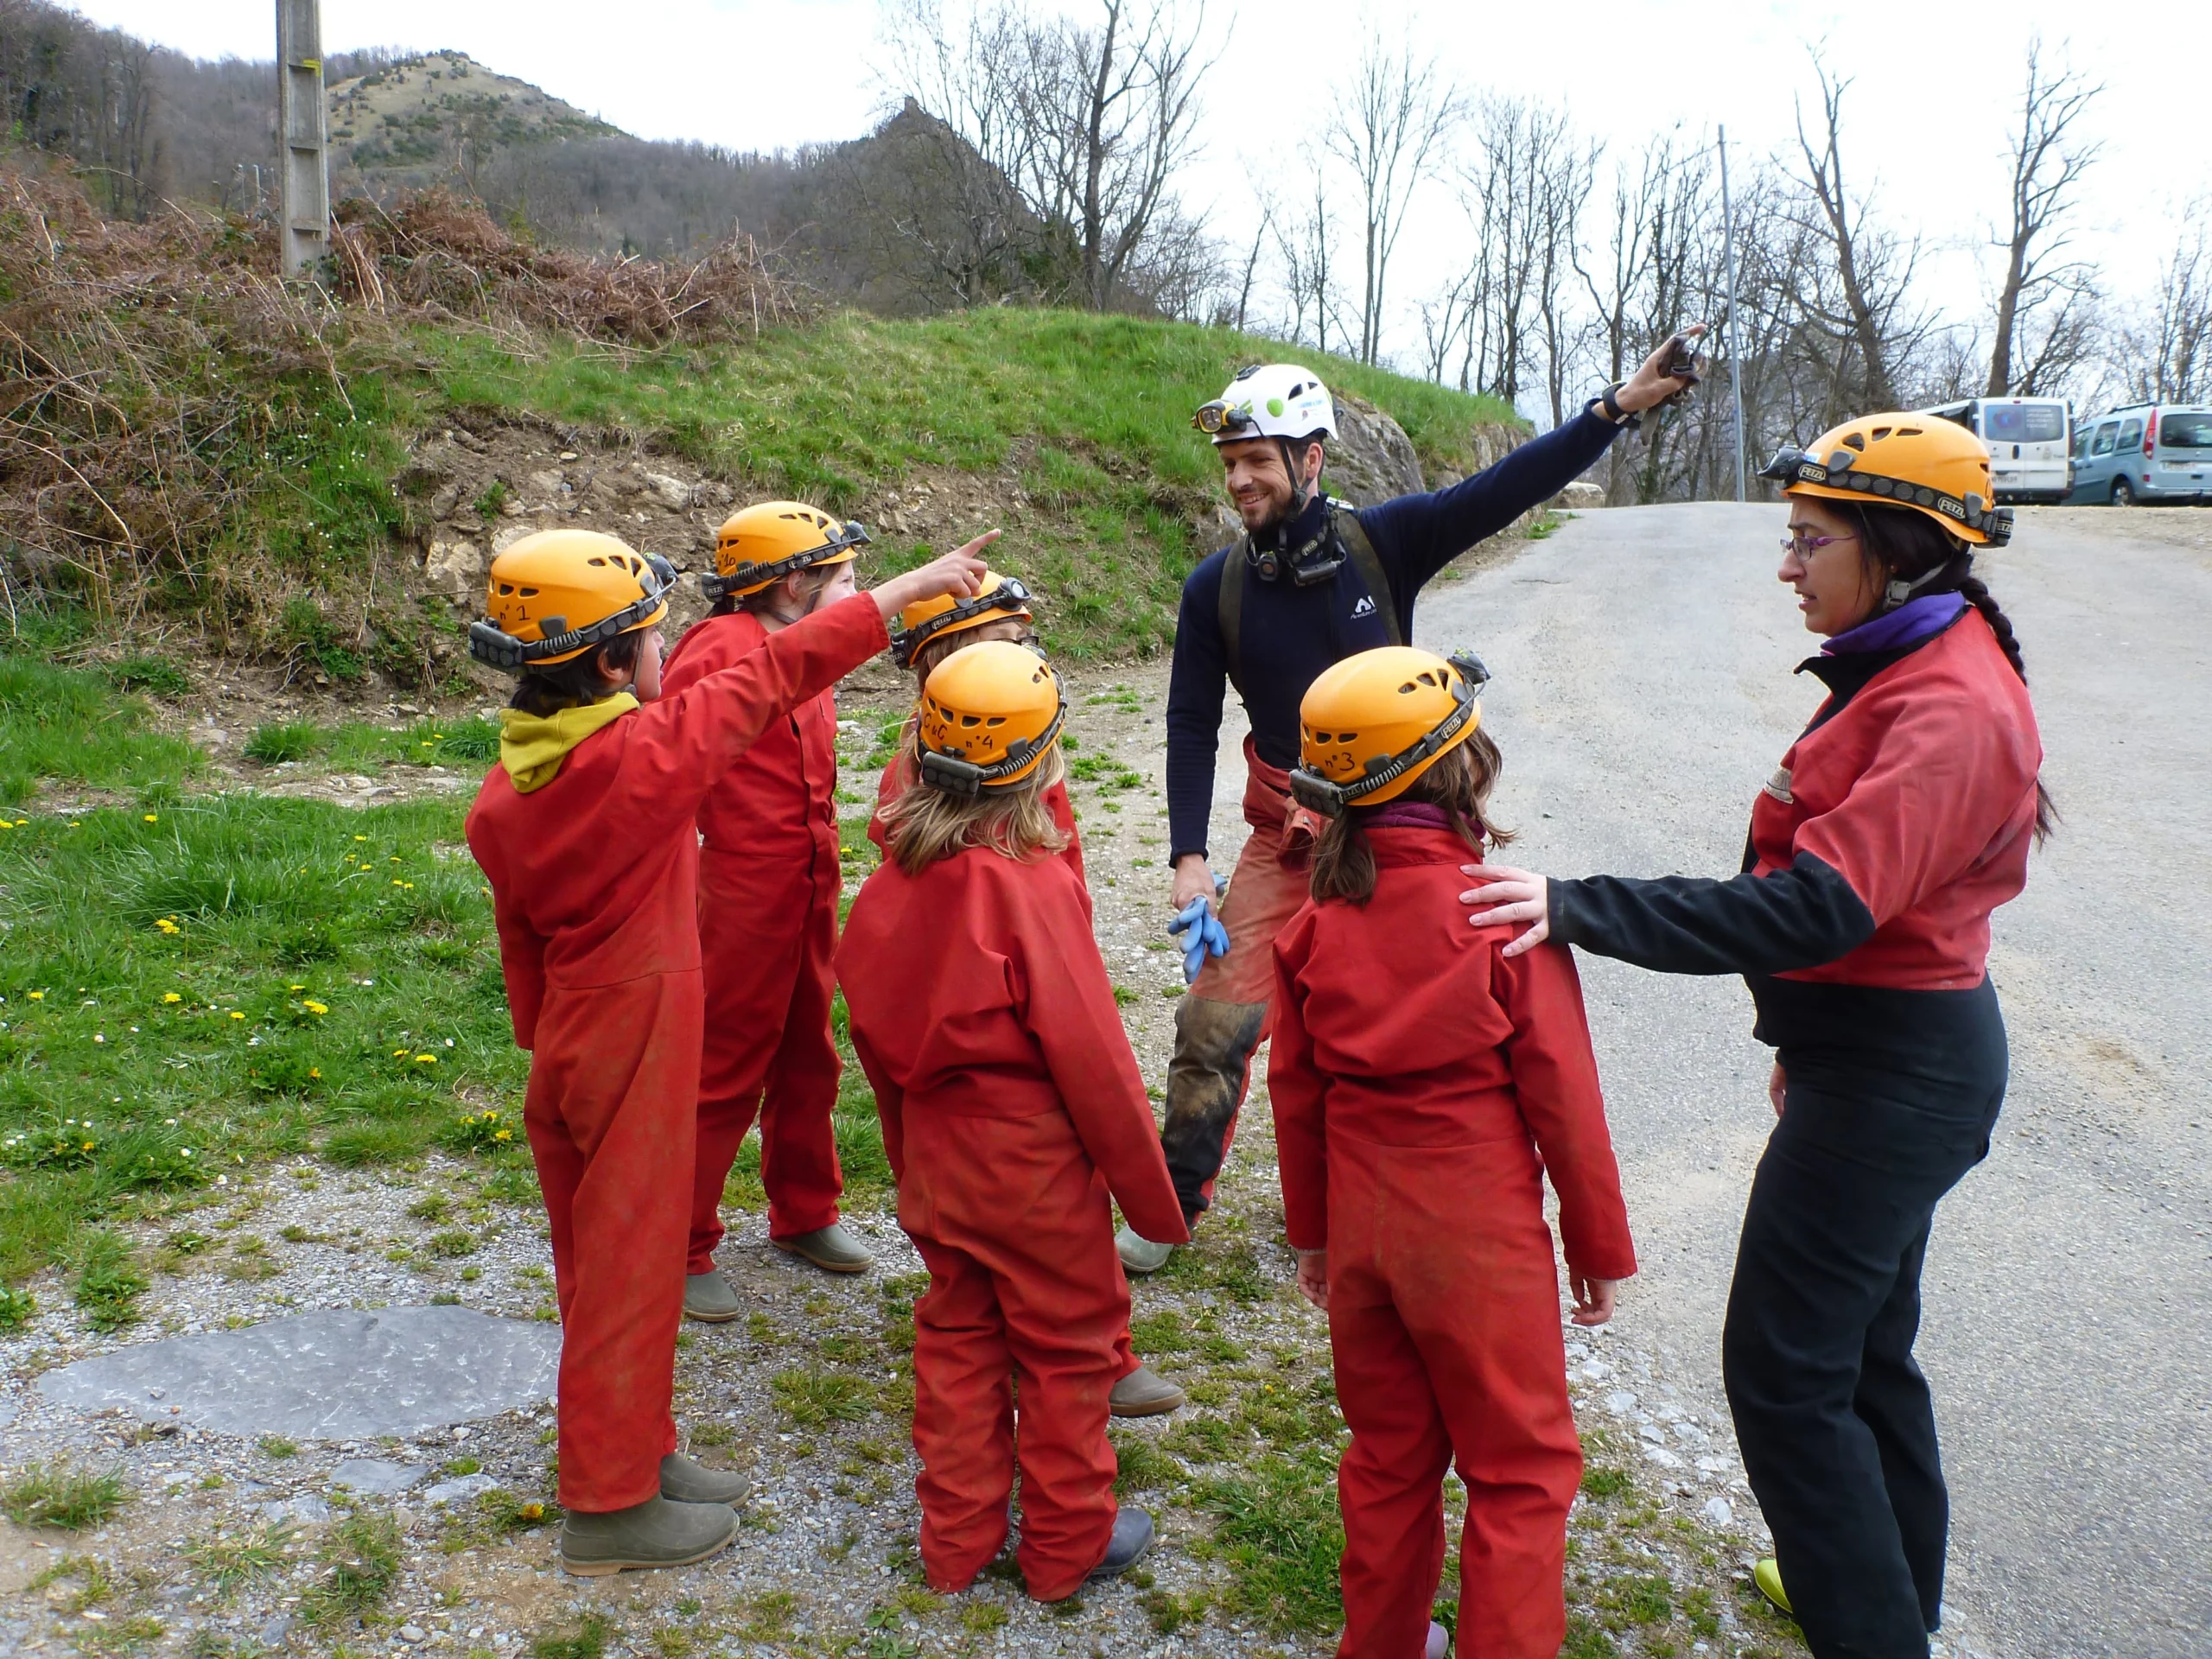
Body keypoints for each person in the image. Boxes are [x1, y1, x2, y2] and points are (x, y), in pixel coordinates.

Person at [1461, 415, 2046, 1659]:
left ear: (1895, 546)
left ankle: (1872, 1629)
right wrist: (1807, 1035)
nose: (1787, 566)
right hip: (1872, 1059)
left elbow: (1819, 903)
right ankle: (1893, 1602)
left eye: (1809, 540)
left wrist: (1579, 904)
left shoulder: (1951, 702)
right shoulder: (1916, 656)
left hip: (1901, 1078)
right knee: (1865, 1353)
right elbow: (1854, 918)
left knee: (1783, 1372)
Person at [1123, 335, 1703, 1274]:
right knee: (1212, 1022)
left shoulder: (1381, 544)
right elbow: (1189, 722)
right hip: (1284, 837)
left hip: (1394, 834)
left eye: (1257, 462)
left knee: (1382, 1030)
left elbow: (1508, 487)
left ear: (1310, 459)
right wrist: (1189, 853)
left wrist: (1616, 407)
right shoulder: (1214, 588)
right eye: (1229, 465)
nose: (1238, 482)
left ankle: (1359, 1201)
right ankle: (1171, 1200)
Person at [466, 526, 982, 1576]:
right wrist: (903, 593)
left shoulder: (505, 791)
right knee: (629, 1267)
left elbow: (520, 948)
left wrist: (551, 1044)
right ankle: (610, 1507)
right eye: (652, 642)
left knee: (599, 1259)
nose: (668, 657)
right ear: (613, 664)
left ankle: (640, 1452)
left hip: (570, 1032)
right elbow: (773, 674)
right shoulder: (640, 761)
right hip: (633, 1032)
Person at [1268, 645, 1635, 1659]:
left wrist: (1313, 1236)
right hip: (1476, 1238)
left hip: (1364, 1227)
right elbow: (1566, 1103)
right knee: (1518, 1473)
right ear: (1460, 767)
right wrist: (1596, 1246)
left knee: (1387, 1458)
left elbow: (1293, 1096)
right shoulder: (1503, 919)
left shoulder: (1313, 926)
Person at [837, 640, 1189, 1603]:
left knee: (957, 1336)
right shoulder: (1029, 887)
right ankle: (1067, 1547)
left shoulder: (887, 887)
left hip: (942, 1166)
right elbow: (1096, 1065)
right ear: (1041, 763)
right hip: (1031, 1171)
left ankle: (953, 1544)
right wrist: (1153, 1204)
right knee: (1069, 1351)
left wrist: (912, 1162)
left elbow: (875, 1054)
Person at [666, 503, 1002, 1315]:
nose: (856, 599)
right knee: (724, 1066)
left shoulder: (799, 647)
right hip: (741, 890)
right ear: (793, 583)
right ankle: (681, 1243)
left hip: (805, 879)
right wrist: (908, 587)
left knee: (807, 1054)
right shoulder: (723, 646)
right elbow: (691, 736)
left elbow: (812, 656)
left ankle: (804, 1210)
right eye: (845, 580)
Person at [874, 569, 1187, 1420]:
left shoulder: (1007, 740)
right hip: (1018, 1052)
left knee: (1006, 1253)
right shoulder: (942, 778)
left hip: (1038, 986)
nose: (1028, 652)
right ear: (943, 657)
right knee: (1058, 1229)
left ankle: (1046, 1360)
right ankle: (1095, 1365)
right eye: (1006, 640)